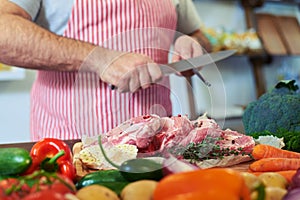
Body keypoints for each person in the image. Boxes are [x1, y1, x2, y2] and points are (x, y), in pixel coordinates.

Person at [0, 0, 211, 141]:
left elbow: (199, 35)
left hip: (157, 144)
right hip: (73, 144)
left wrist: (192, 42)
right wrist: (99, 59)